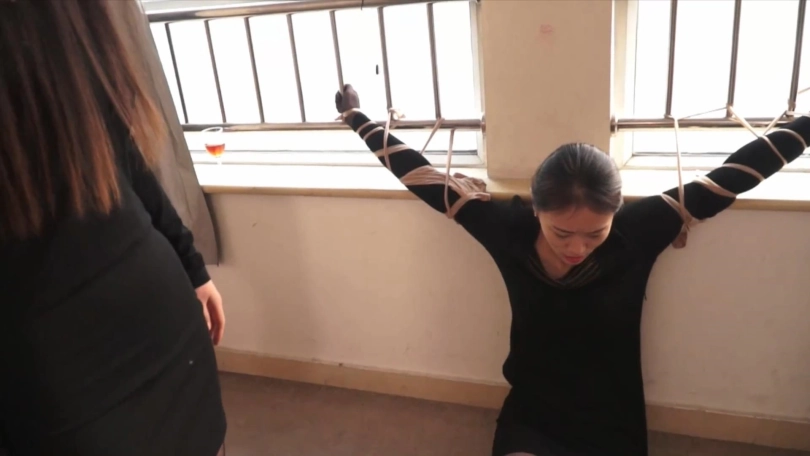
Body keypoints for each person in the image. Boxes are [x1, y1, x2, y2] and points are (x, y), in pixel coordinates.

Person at [334, 84, 810, 456]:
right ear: (536, 210)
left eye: (595, 233)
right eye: (562, 233)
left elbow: (732, 177)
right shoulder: (506, 228)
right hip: (532, 410)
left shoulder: (640, 230)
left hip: (612, 417)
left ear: (615, 214)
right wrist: (357, 117)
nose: (578, 248)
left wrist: (806, 126)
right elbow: (420, 176)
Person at [0, 1, 226, 455]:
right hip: (152, 313)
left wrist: (193, 267)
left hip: (54, 361)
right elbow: (128, 163)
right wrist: (191, 267)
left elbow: (123, 164)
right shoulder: (59, 26)